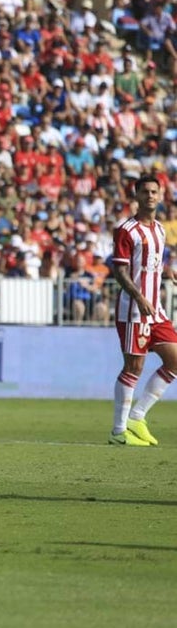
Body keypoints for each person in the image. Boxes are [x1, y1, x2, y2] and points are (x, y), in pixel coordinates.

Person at [109, 175, 177, 446]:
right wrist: (137, 297)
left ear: (160, 196)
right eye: (145, 191)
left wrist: (167, 271)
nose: (150, 195)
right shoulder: (127, 229)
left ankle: (137, 416)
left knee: (174, 360)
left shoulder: (160, 229)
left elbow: (153, 263)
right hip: (133, 310)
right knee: (134, 366)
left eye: (154, 191)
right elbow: (120, 270)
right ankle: (118, 431)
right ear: (136, 195)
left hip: (156, 310)